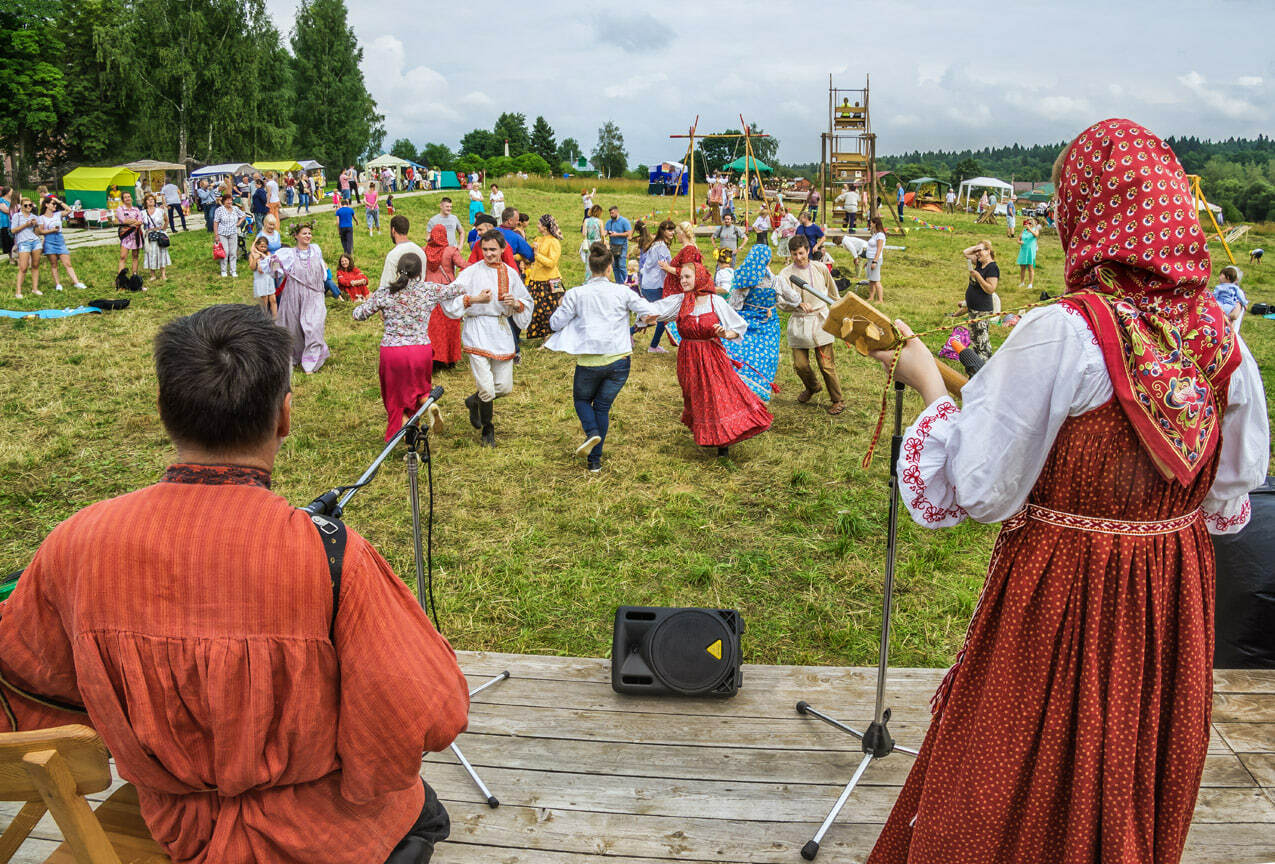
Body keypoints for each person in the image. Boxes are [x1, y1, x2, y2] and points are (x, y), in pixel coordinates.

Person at [864, 117, 1269, 864]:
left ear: (1085, 213)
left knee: (1014, 763)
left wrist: (926, 381)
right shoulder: (1223, 337)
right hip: (1169, 594)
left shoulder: (1063, 331)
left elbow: (977, 485)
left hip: (1062, 591)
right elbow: (1232, 491)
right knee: (1127, 755)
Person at [0, 303, 469, 864]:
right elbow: (427, 712)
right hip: (319, 831)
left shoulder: (73, 545)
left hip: (175, 823)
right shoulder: (333, 553)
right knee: (425, 811)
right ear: (284, 417)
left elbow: (27, 691)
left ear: (162, 410)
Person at [546, 242, 659, 472]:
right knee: (602, 408)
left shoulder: (576, 294)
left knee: (581, 400)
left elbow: (555, 323)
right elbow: (650, 311)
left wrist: (563, 309)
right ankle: (594, 462)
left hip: (590, 361)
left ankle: (592, 433)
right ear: (610, 268)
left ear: (590, 266)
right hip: (619, 360)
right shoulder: (622, 291)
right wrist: (639, 323)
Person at [642, 261, 773, 457]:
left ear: (699, 278)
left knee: (716, 394)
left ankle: (724, 445)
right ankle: (708, 434)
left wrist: (724, 333)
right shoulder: (680, 301)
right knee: (696, 396)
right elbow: (654, 309)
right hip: (688, 357)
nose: (683, 281)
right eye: (682, 277)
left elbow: (737, 327)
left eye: (688, 277)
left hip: (711, 355)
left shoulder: (715, 302)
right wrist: (641, 316)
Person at [353, 252, 470, 441]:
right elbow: (456, 289)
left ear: (398, 269)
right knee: (417, 391)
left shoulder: (385, 292)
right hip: (420, 350)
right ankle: (427, 404)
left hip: (393, 351)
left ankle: (406, 439)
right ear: (420, 271)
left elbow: (358, 314)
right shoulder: (428, 289)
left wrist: (373, 302)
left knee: (395, 400)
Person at [440, 230, 534, 447]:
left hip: (501, 330)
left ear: (502, 249)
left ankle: (474, 402)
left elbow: (526, 301)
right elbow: (449, 297)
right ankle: (488, 429)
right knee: (487, 387)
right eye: (485, 249)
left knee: (503, 387)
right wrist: (474, 299)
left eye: (493, 249)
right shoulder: (471, 272)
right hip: (477, 329)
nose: (489, 253)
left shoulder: (510, 274)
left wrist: (516, 304)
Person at [777, 235, 844, 415]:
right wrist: (796, 304)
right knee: (800, 365)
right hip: (799, 322)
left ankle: (837, 400)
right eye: (794, 254)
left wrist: (841, 312)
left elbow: (833, 293)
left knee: (826, 364)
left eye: (801, 253)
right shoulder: (785, 274)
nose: (798, 257)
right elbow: (780, 301)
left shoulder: (820, 268)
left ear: (807, 250)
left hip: (820, 320)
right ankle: (813, 387)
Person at [723, 243, 781, 402]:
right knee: (766, 357)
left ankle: (737, 387)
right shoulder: (774, 279)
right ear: (768, 261)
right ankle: (757, 390)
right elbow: (783, 299)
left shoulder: (744, 277)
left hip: (745, 323)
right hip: (767, 325)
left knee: (739, 353)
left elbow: (734, 305)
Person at [274, 222, 330, 373]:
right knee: (293, 327)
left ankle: (310, 363)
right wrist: (271, 265)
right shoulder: (287, 254)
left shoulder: (316, 250)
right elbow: (274, 269)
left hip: (314, 294)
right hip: (294, 294)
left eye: (309, 233)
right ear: (296, 236)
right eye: (304, 233)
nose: (308, 236)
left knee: (313, 326)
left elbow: (322, 268)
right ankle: (294, 357)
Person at [424, 223, 467, 370]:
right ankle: (450, 358)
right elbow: (464, 265)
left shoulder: (424, 251)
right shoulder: (450, 251)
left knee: (433, 328)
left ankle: (434, 357)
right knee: (450, 326)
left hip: (429, 293)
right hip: (448, 292)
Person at [524, 214, 564, 340]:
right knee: (538, 309)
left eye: (540, 224)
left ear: (545, 227)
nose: (537, 226)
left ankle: (553, 337)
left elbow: (552, 263)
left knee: (552, 308)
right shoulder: (539, 239)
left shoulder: (554, 242)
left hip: (551, 280)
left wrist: (537, 255)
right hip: (537, 280)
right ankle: (544, 336)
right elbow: (529, 254)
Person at [34, 196, 87, 291]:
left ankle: (76, 282)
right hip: (49, 241)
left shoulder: (58, 214)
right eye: (53, 204)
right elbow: (40, 231)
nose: (55, 206)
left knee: (67, 263)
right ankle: (58, 284)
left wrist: (58, 201)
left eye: (55, 204)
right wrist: (51, 230)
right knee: (54, 264)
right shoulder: (41, 218)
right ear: (46, 205)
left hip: (59, 239)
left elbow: (69, 210)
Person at [639, 219, 676, 354]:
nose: (672, 232)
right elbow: (665, 266)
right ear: (662, 231)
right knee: (662, 316)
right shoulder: (661, 247)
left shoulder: (655, 244)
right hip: (655, 285)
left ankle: (630, 334)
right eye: (669, 229)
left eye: (673, 229)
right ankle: (653, 346)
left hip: (648, 283)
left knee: (653, 315)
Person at [960, 240, 999, 361]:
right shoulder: (979, 263)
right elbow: (965, 252)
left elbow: (991, 289)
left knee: (982, 343)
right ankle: (976, 365)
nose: (977, 253)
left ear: (988, 251)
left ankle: (984, 366)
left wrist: (978, 276)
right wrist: (978, 247)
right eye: (976, 251)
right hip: (973, 308)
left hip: (982, 310)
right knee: (974, 341)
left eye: (980, 251)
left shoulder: (992, 267)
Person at [12, 197, 41, 299]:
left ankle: (35, 289)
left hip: (35, 242)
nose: (29, 207)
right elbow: (13, 230)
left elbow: (38, 233)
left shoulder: (34, 216)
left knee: (35, 265)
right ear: (21, 207)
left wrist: (36, 225)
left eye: (30, 205)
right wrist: (25, 225)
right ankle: (18, 291)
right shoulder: (17, 216)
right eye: (26, 205)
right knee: (23, 267)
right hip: (23, 242)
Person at [140, 193, 171, 283]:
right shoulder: (142, 213)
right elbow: (141, 224)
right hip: (149, 235)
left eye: (152, 199)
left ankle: (163, 274)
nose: (151, 201)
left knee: (162, 253)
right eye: (148, 200)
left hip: (159, 234)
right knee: (150, 254)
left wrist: (164, 228)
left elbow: (166, 219)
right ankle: (152, 275)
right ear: (145, 202)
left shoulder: (160, 211)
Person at [213, 193, 246, 278]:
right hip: (222, 233)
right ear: (224, 201)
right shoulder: (219, 210)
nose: (229, 201)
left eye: (231, 200)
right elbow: (216, 222)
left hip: (233, 233)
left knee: (233, 252)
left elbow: (243, 215)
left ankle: (233, 271)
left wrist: (239, 223)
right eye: (227, 200)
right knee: (225, 252)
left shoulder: (235, 208)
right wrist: (216, 235)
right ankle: (223, 271)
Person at [249, 234, 278, 317]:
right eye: (261, 246)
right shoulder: (253, 256)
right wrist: (255, 259)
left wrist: (260, 253)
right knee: (264, 300)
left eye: (265, 247)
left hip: (268, 278)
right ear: (257, 246)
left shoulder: (268, 253)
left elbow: (273, 264)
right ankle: (264, 318)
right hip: (260, 279)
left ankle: (275, 318)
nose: (263, 248)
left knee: (273, 299)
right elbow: (252, 267)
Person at [1213, 265, 1247, 332]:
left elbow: (1234, 315)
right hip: (1226, 304)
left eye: (1221, 275)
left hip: (1224, 305)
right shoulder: (1234, 290)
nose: (1219, 278)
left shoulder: (1237, 297)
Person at [605, 205, 632, 284]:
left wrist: (616, 234)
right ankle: (618, 283)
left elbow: (629, 233)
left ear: (617, 212)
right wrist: (605, 233)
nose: (611, 215)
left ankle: (627, 283)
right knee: (614, 266)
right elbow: (605, 231)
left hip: (622, 246)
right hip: (612, 246)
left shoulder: (624, 221)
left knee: (622, 266)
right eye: (610, 213)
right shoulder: (609, 222)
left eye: (612, 213)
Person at [1017, 217, 1041, 290]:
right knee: (1022, 268)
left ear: (1032, 224)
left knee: (1030, 268)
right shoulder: (1023, 230)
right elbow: (1018, 239)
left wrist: (1030, 229)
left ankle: (1030, 283)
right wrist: (1019, 242)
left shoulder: (1035, 230)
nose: (1028, 224)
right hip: (1023, 250)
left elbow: (1036, 235)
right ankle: (1022, 282)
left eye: (1030, 223)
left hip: (1030, 251)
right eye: (1027, 223)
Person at [867, 216, 886, 303]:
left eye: (871, 223)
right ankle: (871, 297)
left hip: (875, 259)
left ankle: (880, 299)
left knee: (876, 280)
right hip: (870, 258)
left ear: (875, 224)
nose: (870, 224)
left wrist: (875, 261)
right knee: (871, 280)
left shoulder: (880, 235)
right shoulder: (875, 234)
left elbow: (879, 249)